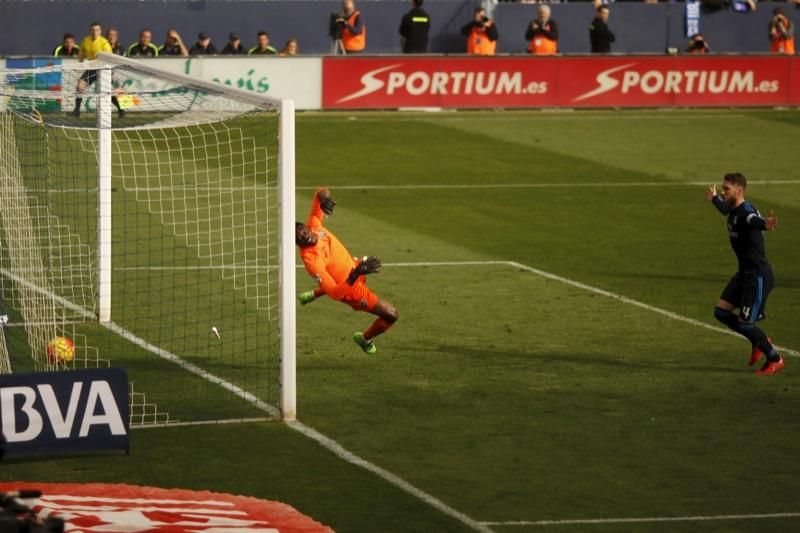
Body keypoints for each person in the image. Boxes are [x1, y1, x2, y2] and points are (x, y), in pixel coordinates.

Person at [296, 189, 398, 355]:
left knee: (337, 275)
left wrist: (325, 198)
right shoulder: (312, 262)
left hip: (353, 266)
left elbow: (321, 192)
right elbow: (336, 294)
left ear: (307, 226)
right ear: (298, 244)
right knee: (391, 314)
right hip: (351, 290)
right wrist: (356, 274)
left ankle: (313, 294)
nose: (304, 236)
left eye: (303, 231)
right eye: (299, 238)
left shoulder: (315, 224)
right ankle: (364, 339)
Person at [706, 173, 784, 376]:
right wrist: (715, 199)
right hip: (744, 274)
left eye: (726, 189)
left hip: (758, 277)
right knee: (721, 313)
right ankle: (756, 341)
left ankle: (775, 358)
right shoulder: (733, 208)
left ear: (739, 191)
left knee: (745, 323)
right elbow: (725, 210)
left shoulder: (746, 212)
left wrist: (765, 224)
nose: (724, 192)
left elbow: (753, 219)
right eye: (723, 188)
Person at [72, 22, 124, 118]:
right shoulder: (86, 40)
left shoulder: (104, 43)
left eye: (97, 30)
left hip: (103, 70)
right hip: (91, 69)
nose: (94, 32)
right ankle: (77, 110)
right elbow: (82, 53)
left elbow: (110, 59)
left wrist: (111, 73)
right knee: (80, 87)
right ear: (90, 31)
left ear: (100, 31)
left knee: (107, 92)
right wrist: (79, 64)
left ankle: (121, 110)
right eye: (92, 30)